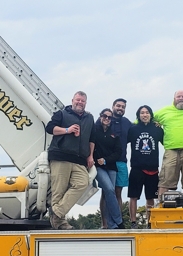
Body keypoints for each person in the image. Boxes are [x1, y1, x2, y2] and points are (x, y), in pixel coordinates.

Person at [45, 91, 95, 229]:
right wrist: (67, 130)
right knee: (58, 191)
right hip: (60, 156)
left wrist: (90, 155)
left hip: (79, 159)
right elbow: (49, 128)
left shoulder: (90, 118)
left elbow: (92, 138)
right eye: (78, 100)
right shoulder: (61, 114)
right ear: (72, 100)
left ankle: (56, 212)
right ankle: (60, 223)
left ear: (86, 103)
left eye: (83, 101)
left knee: (82, 183)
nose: (80, 103)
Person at [127, 105, 164, 221]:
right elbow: (122, 141)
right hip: (137, 167)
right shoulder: (133, 129)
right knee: (133, 196)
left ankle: (150, 222)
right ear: (138, 115)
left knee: (151, 197)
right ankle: (133, 222)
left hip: (152, 168)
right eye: (142, 113)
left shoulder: (157, 129)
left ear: (151, 115)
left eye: (147, 112)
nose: (144, 115)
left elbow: (167, 143)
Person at [90, 108, 125, 229]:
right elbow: (89, 146)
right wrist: (97, 159)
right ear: (100, 116)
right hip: (98, 167)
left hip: (111, 166)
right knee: (109, 190)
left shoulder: (114, 135)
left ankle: (111, 225)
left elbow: (118, 151)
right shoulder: (93, 130)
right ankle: (119, 221)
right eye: (104, 116)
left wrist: (106, 159)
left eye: (109, 117)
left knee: (110, 194)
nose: (106, 118)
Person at [103, 98, 133, 220]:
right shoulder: (105, 120)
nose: (120, 108)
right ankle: (104, 224)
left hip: (121, 161)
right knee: (106, 193)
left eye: (123, 107)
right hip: (107, 161)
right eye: (118, 106)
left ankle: (117, 223)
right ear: (113, 106)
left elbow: (138, 129)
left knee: (118, 193)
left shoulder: (127, 123)